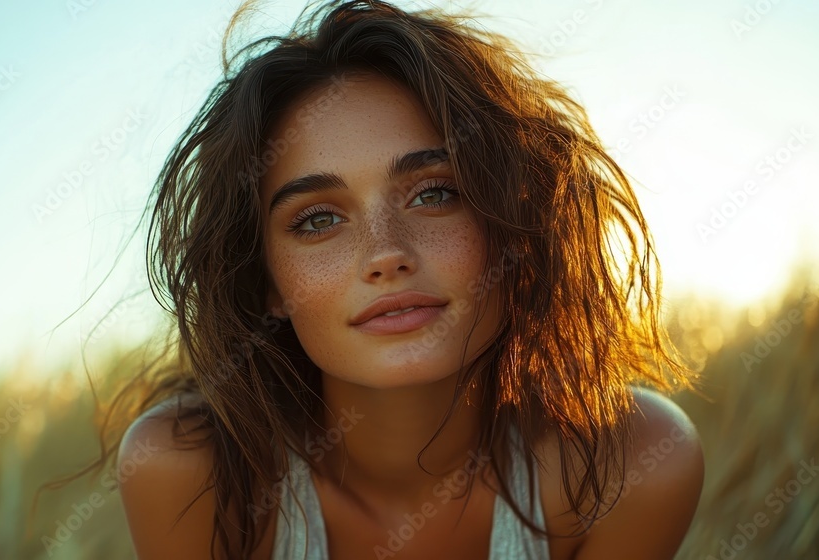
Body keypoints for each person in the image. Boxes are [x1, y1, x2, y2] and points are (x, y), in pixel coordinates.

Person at [115, 1, 704, 558]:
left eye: (435, 193)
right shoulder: (190, 475)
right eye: (318, 220)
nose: (386, 254)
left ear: (515, 224)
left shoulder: (632, 467)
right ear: (265, 279)